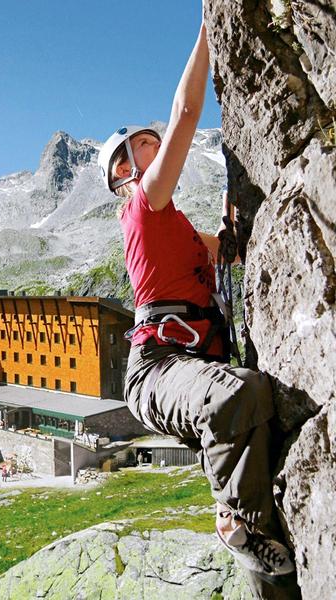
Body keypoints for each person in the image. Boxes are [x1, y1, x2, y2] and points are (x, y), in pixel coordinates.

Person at [97, 11, 294, 581]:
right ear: (126, 172)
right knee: (236, 396)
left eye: (148, 145)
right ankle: (235, 520)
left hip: (184, 361)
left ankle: (261, 546)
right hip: (157, 368)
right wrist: (213, 24)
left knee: (254, 397)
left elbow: (227, 248)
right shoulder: (142, 207)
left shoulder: (175, 227)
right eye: (140, 149)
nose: (151, 152)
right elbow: (186, 111)